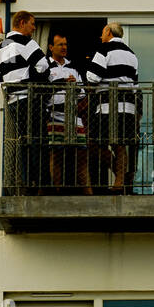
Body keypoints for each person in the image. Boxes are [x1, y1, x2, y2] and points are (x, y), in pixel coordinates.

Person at [0, 10, 49, 195]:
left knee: (21, 142)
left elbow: (1, 79)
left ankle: (24, 183)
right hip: (30, 99)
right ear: (22, 22)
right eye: (32, 24)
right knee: (38, 140)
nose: (34, 28)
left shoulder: (0, 48)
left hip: (12, 101)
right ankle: (40, 184)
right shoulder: (26, 42)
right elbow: (44, 67)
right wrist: (33, 80)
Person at [86, 21, 140, 195]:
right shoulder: (132, 55)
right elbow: (134, 83)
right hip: (128, 106)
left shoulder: (104, 50)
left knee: (97, 143)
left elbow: (92, 77)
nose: (101, 36)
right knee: (120, 144)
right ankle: (122, 179)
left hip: (107, 106)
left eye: (102, 32)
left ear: (108, 31)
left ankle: (119, 179)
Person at [46, 33, 90, 193]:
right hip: (54, 115)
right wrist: (63, 83)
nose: (64, 47)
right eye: (60, 44)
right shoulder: (45, 67)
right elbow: (42, 92)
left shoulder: (74, 67)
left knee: (81, 155)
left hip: (73, 116)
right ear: (51, 47)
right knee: (56, 155)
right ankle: (57, 191)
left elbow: (83, 95)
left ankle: (88, 191)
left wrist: (75, 88)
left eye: (65, 44)